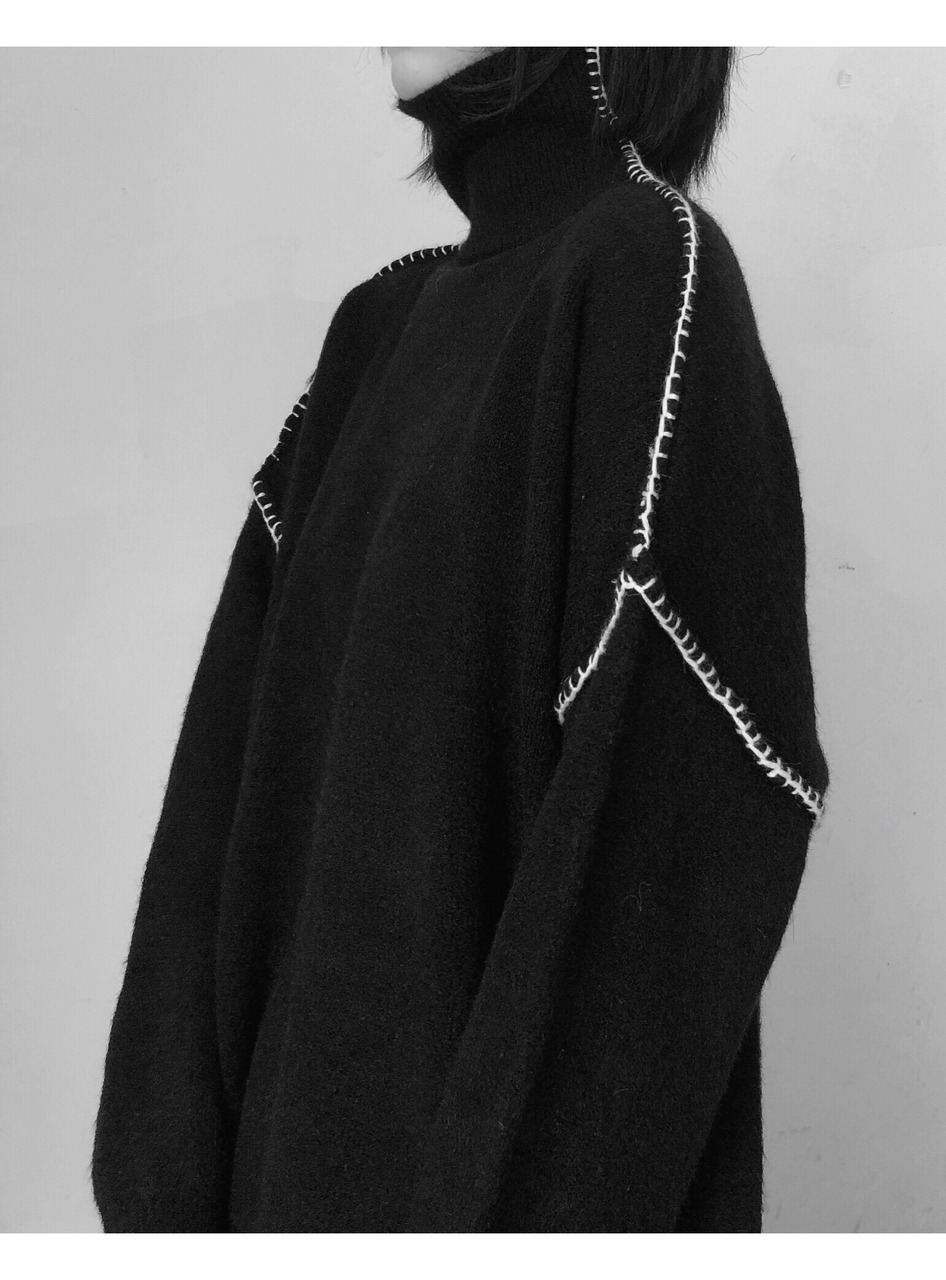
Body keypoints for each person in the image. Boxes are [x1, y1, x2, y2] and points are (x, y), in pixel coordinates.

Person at [91, 45, 830, 1233]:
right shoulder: (376, 330)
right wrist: (160, 1205)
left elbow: (680, 824)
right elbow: (221, 791)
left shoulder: (641, 266)